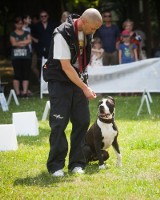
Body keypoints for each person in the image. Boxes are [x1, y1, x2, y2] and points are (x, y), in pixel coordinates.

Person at [44, 8, 102, 177]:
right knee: (59, 123)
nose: (94, 32)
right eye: (93, 28)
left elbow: (82, 59)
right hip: (60, 81)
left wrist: (84, 82)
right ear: (83, 22)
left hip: (78, 79)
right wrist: (84, 88)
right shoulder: (61, 33)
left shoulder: (87, 30)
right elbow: (66, 67)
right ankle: (56, 166)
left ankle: (77, 162)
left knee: (82, 121)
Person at [10, 16, 32, 97]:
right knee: (17, 74)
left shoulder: (27, 33)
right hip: (16, 57)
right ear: (15, 24)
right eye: (18, 23)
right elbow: (13, 44)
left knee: (26, 74)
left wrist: (18, 42)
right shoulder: (12, 33)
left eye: (21, 23)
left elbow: (29, 41)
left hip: (26, 56)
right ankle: (18, 93)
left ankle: (25, 92)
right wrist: (24, 42)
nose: (19, 25)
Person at [32, 10, 58, 77]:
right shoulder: (36, 26)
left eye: (45, 16)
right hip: (40, 49)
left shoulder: (53, 25)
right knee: (41, 64)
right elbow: (32, 36)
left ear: (48, 16)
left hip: (51, 48)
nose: (43, 17)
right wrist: (37, 42)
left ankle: (50, 78)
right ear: (40, 17)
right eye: (42, 16)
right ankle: (41, 79)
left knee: (51, 64)